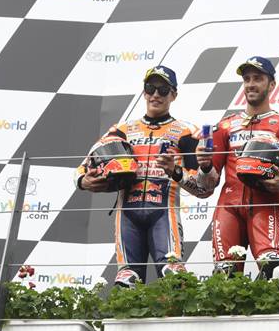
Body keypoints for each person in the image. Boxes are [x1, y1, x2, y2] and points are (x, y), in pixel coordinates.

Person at [76, 65, 210, 288]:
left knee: (174, 276)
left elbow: (203, 189)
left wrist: (176, 172)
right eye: (150, 88)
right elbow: (82, 167)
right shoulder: (121, 130)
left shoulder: (187, 132)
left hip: (164, 213)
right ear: (144, 92)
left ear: (174, 95)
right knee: (126, 279)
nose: (156, 94)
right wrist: (84, 181)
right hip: (127, 215)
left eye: (163, 90)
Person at [196, 56, 279, 279]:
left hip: (266, 205)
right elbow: (205, 187)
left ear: (271, 85)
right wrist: (204, 168)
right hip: (228, 208)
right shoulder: (224, 126)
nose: (251, 84)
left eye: (258, 79)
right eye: (247, 79)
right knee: (224, 277)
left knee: (274, 273)